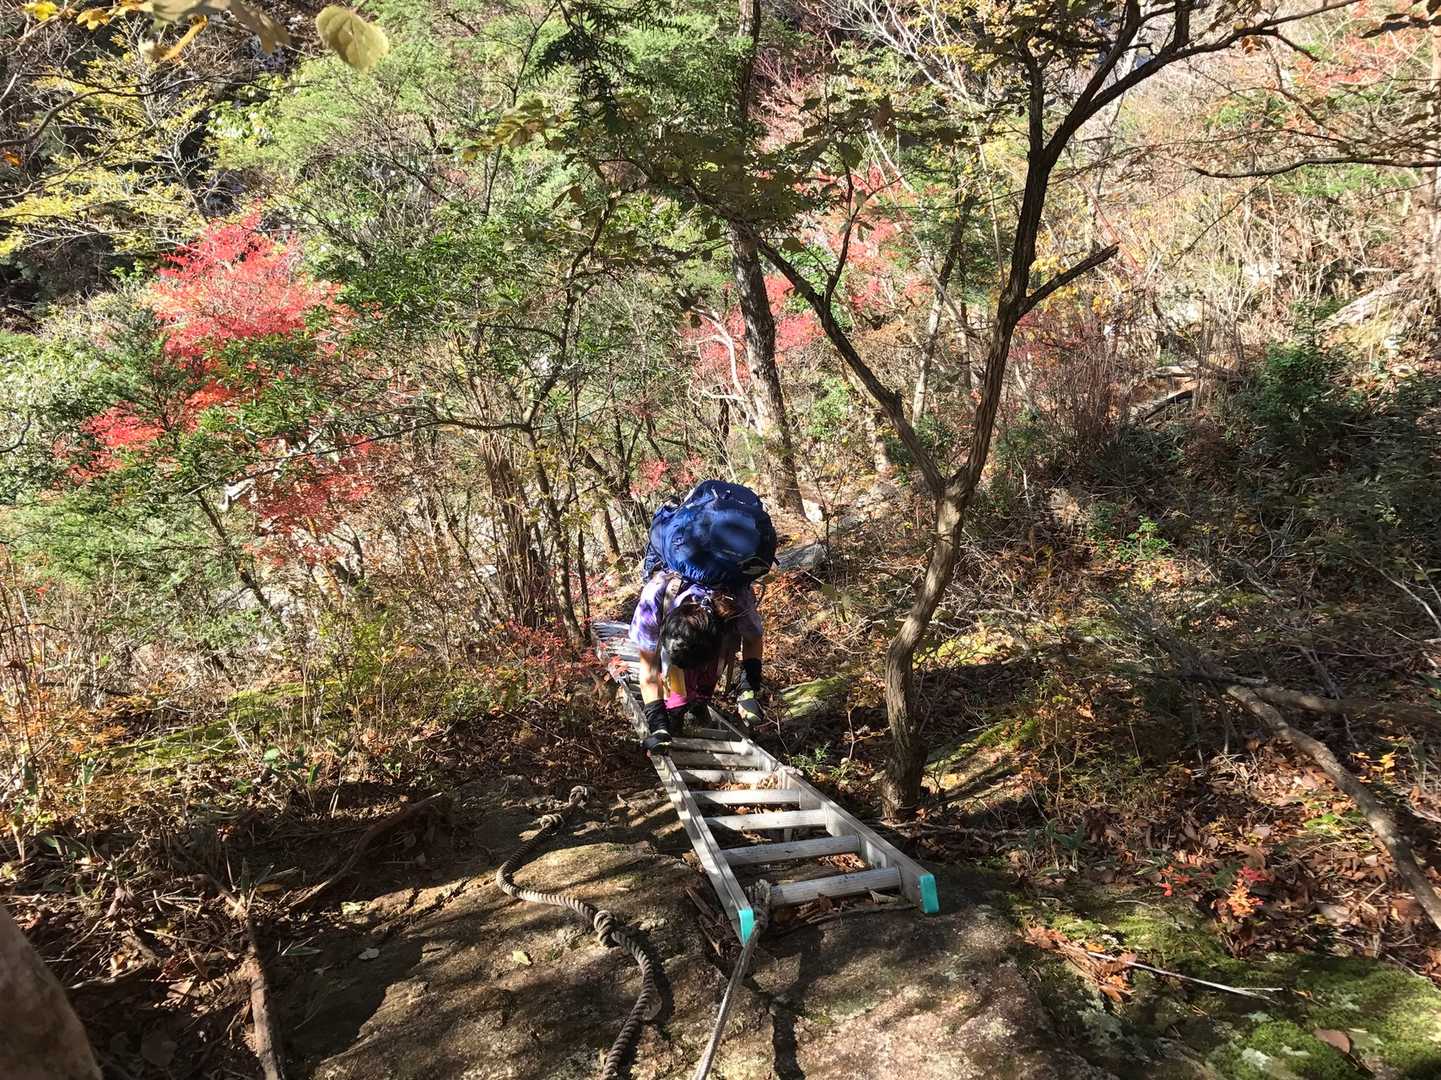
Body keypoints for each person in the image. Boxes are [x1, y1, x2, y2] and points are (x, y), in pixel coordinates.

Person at [628, 571, 764, 753]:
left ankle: (698, 702)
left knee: (710, 674)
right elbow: (649, 671)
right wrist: (658, 725)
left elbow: (753, 639)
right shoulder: (653, 601)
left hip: (716, 636)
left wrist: (748, 689)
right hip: (677, 628)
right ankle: (676, 712)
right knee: (677, 687)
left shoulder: (735, 597)